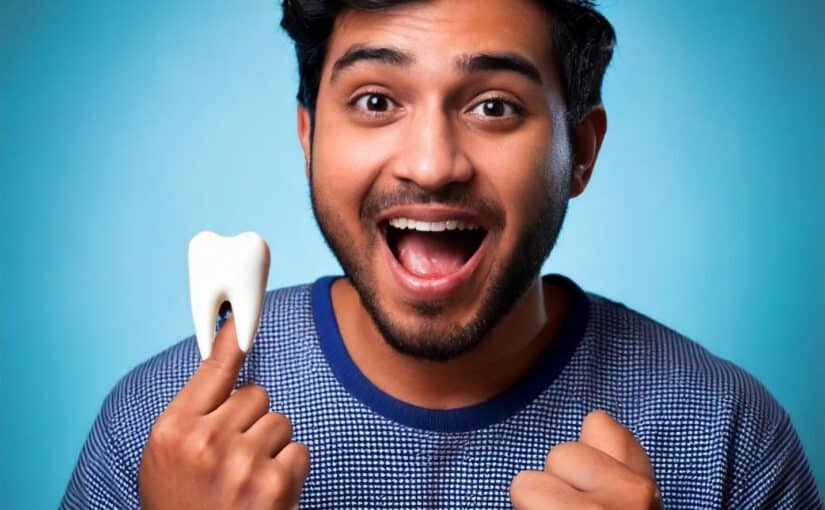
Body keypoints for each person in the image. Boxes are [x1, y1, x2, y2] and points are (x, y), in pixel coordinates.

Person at [61, 0, 822, 508]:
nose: (430, 163)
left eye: (494, 106)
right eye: (374, 101)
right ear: (308, 138)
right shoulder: (158, 433)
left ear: (580, 153)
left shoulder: (728, 437)